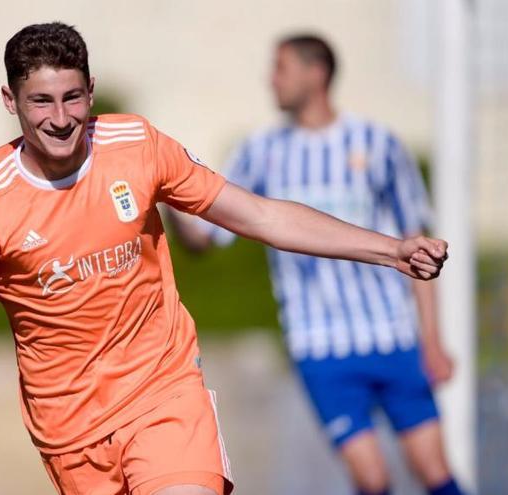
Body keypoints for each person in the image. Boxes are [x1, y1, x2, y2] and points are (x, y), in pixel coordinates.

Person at [0, 23, 448, 495]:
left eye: (74, 97)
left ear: (91, 90)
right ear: (10, 101)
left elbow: (257, 215)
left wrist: (389, 249)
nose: (62, 118)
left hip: (164, 393)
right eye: (41, 101)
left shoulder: (137, 145)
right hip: (69, 429)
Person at [169, 34, 463, 495]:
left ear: (316, 73)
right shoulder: (260, 150)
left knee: (433, 471)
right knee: (372, 477)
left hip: (392, 336)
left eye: (281, 68)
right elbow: (207, 237)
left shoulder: (377, 144)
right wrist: (169, 197)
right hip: (320, 346)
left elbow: (417, 247)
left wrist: (432, 340)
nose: (271, 79)